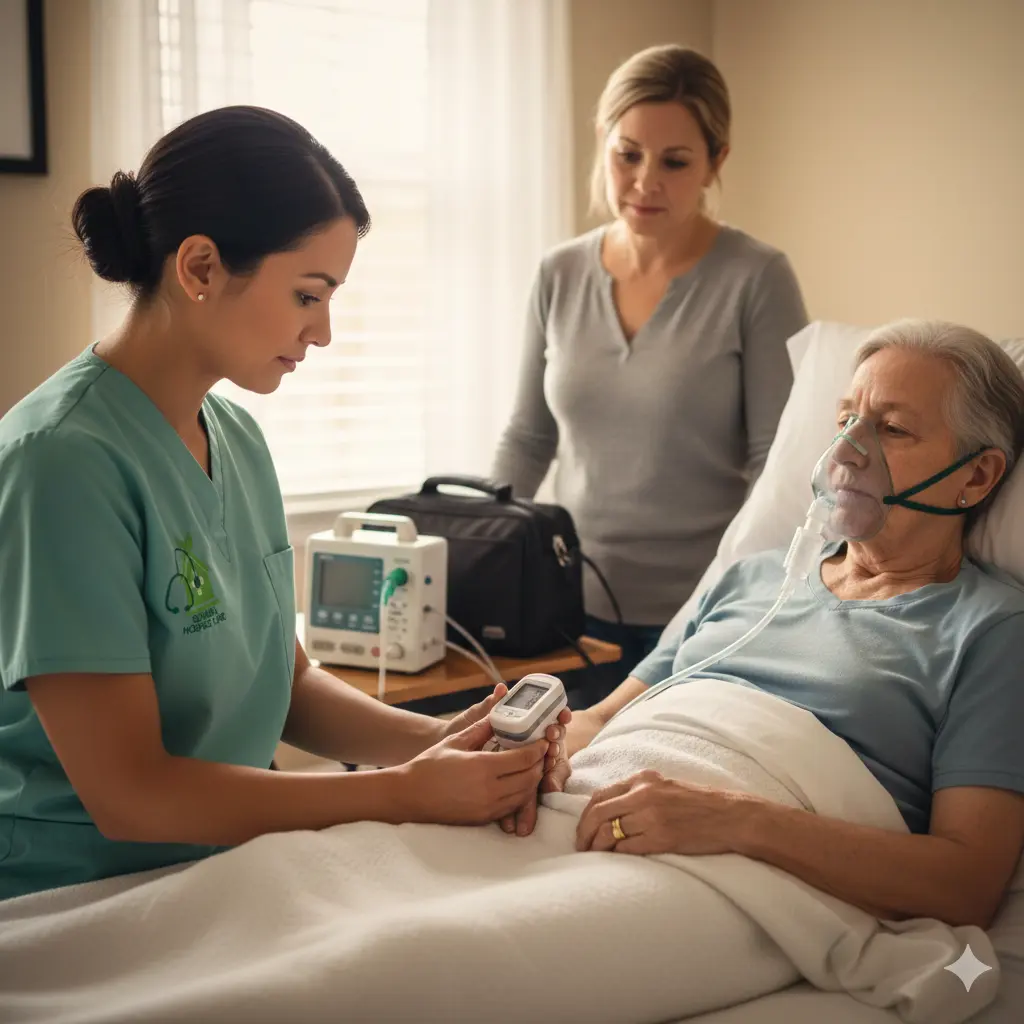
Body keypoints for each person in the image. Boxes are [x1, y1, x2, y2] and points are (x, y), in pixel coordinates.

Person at [0, 106, 566, 902]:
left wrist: (448, 744)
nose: (324, 332)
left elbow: (287, 683)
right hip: (75, 897)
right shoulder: (59, 465)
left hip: (215, 868)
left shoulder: (234, 436)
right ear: (198, 268)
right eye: (308, 294)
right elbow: (130, 795)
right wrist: (400, 791)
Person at [551, 320, 1024, 929]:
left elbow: (964, 886)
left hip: (729, 877)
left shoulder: (992, 632)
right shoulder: (752, 578)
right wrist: (524, 756)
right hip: (589, 810)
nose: (848, 452)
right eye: (846, 420)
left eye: (893, 428)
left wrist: (730, 818)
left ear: (977, 477)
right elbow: (601, 719)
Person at [492, 45, 808, 702]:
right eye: (627, 154)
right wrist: (468, 548)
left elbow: (772, 464)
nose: (645, 182)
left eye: (675, 161)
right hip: (568, 610)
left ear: (716, 161)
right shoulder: (559, 272)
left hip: (702, 614)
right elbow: (528, 438)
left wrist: (735, 602)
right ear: (603, 143)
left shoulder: (757, 278)